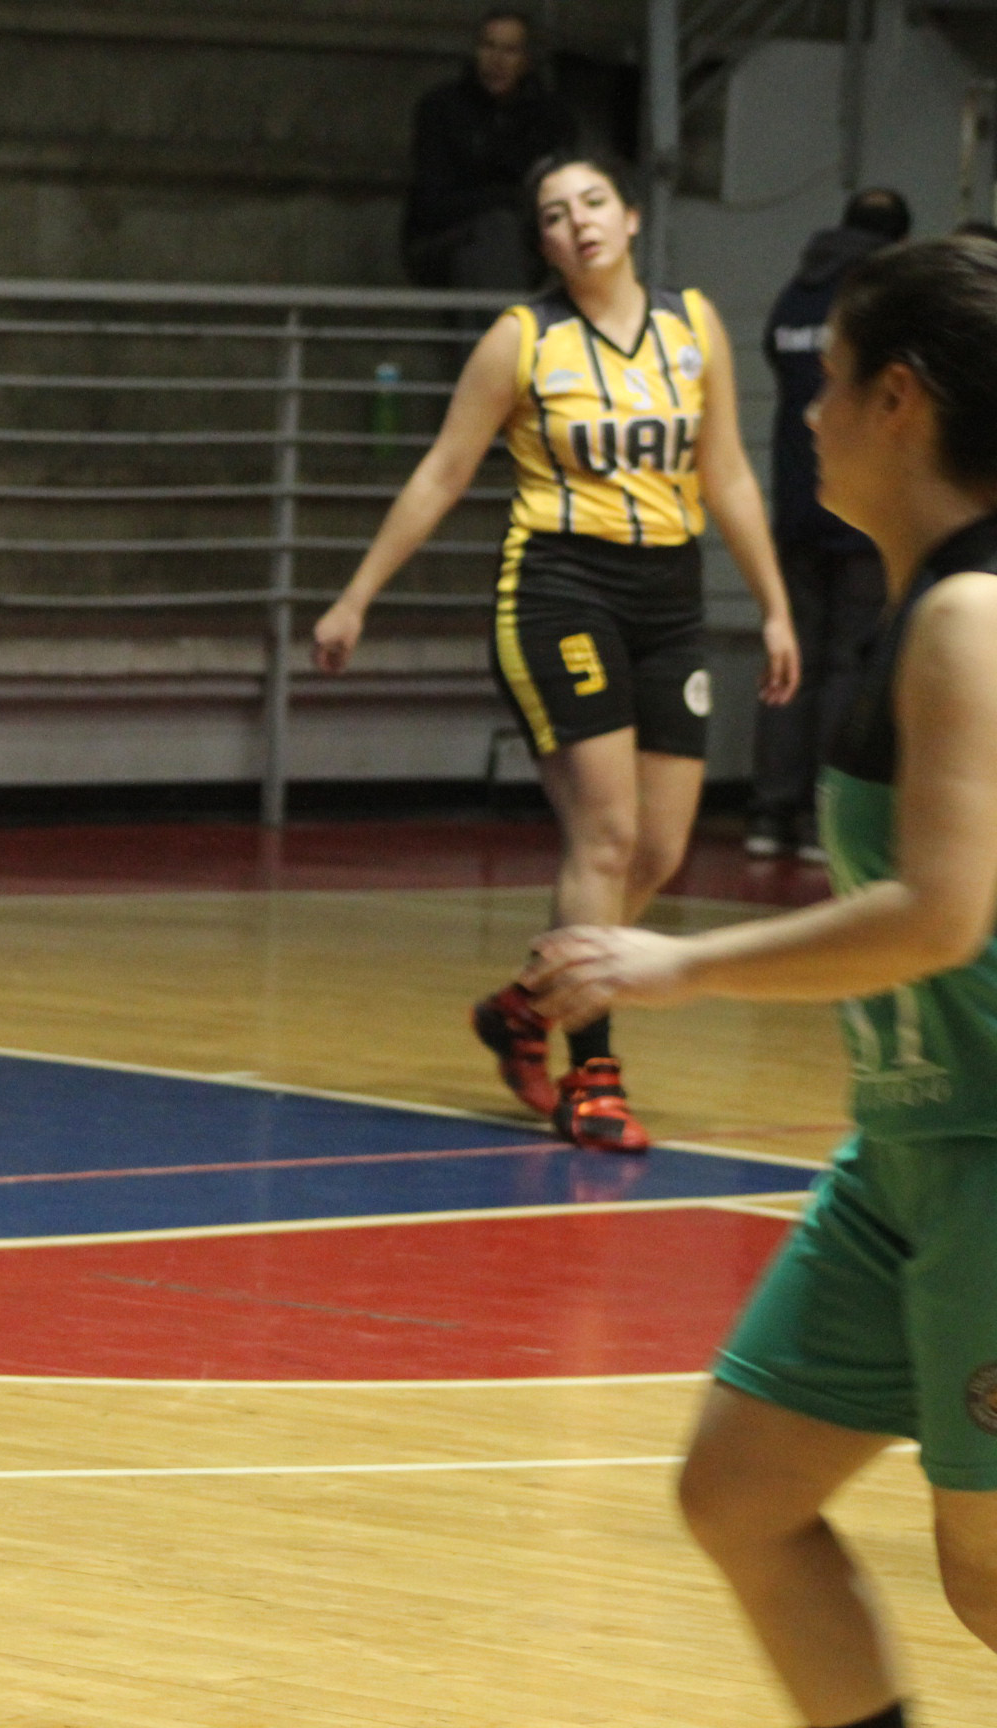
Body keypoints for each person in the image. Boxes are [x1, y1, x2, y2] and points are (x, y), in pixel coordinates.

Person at [523, 234, 997, 1728]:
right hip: (909, 1150)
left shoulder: (974, 616)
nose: (810, 413)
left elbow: (938, 918)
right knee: (738, 1493)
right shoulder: (921, 606)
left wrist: (680, 964)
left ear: (901, 402)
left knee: (991, 1576)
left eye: (833, 382)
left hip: (991, 1153)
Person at [314, 152, 801, 1152]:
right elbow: (443, 471)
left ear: (630, 216)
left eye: (592, 202)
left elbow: (728, 475)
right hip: (558, 589)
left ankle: (523, 1006)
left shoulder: (693, 324)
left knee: (659, 852)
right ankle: (596, 1075)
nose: (577, 222)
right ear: (541, 243)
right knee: (606, 838)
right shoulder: (522, 339)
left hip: (667, 596)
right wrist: (356, 596)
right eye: (552, 214)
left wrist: (775, 608)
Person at [748, 188, 911, 863]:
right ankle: (822, 817)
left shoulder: (796, 295)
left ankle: (768, 812)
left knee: (791, 663)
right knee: (848, 663)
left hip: (796, 507)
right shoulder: (880, 300)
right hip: (858, 511)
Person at [402, 9, 578, 291]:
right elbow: (432, 203)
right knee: (495, 233)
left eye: (510, 50)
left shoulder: (550, 116)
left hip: (528, 242)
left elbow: (552, 198)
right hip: (443, 239)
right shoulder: (441, 109)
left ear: (527, 59)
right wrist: (508, 197)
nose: (497, 60)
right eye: (488, 46)